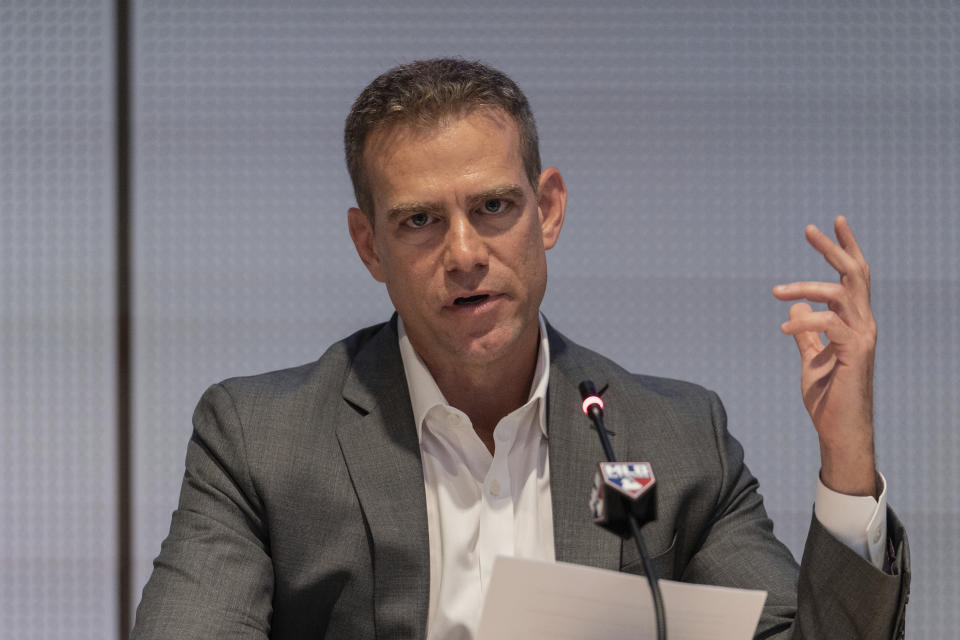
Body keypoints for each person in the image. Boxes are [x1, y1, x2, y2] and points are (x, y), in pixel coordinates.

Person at [131, 58, 909, 639]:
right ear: (369, 246)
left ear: (548, 211)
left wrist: (847, 459)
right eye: (419, 221)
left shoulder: (673, 436)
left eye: (494, 206)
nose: (465, 252)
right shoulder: (262, 439)